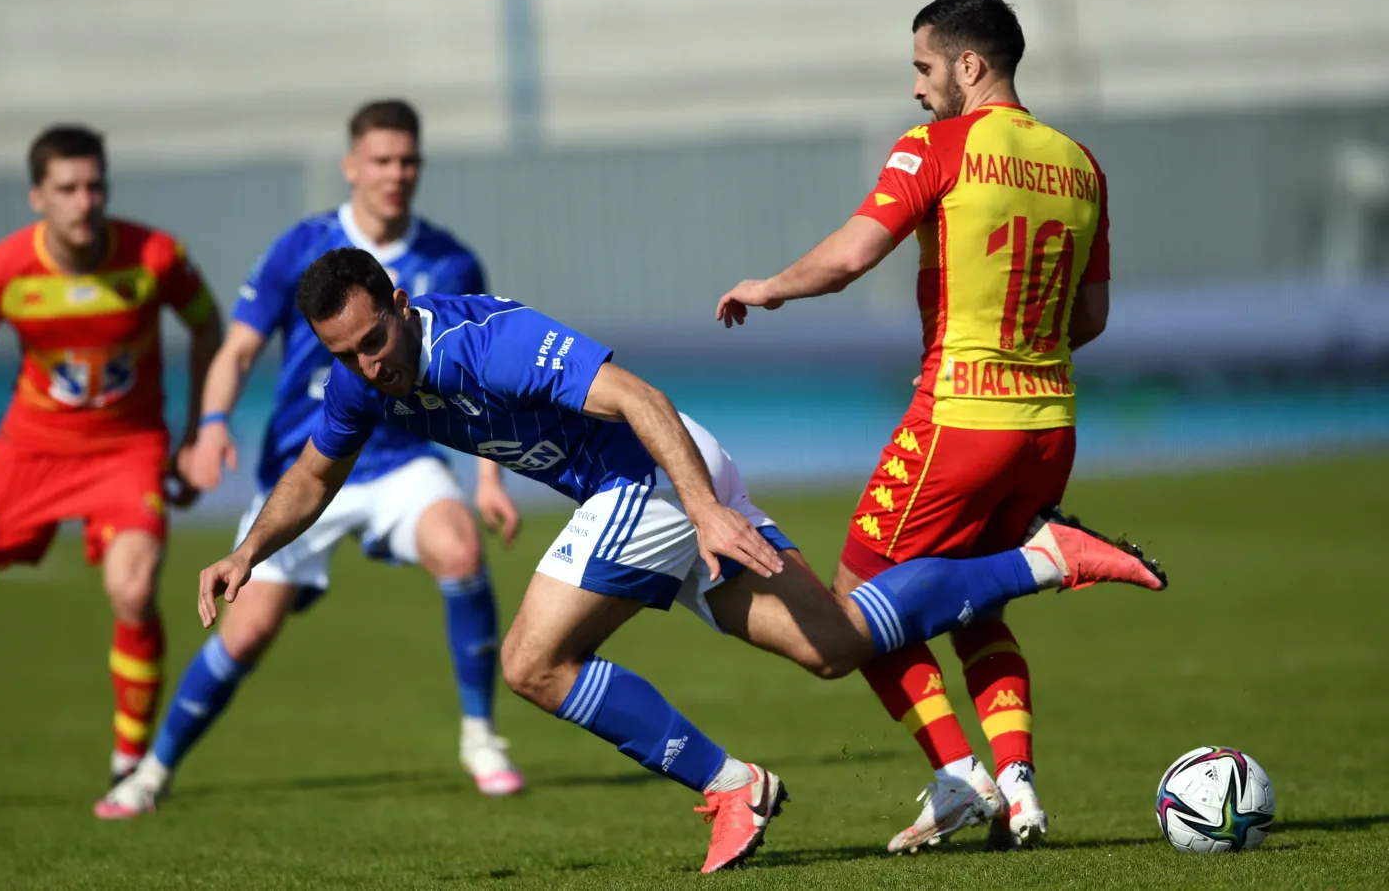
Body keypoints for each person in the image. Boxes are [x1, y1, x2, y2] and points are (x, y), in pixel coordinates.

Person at [197, 248, 1162, 872]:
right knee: (836, 642)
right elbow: (313, 477)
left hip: (654, 475)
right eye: (349, 355)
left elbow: (642, 398)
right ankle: (1042, 557)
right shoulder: (363, 382)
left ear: (401, 307)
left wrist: (700, 511)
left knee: (531, 662)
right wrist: (247, 551)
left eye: (377, 342)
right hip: (658, 488)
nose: (372, 367)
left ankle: (729, 785)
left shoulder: (487, 346)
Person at [716, 0, 1113, 852]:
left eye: (924, 68)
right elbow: (1089, 319)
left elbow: (853, 256)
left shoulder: (940, 147)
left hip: (962, 418)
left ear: (970, 66)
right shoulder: (1080, 163)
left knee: (860, 598)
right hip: (1051, 426)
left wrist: (769, 285)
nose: (918, 89)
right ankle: (1019, 784)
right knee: (969, 604)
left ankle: (956, 773)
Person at [95, 101, 523, 820]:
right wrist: (210, 424)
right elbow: (237, 347)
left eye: (408, 159)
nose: (396, 173)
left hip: (398, 459)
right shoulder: (303, 247)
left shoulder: (450, 257)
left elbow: (477, 375)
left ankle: (482, 738)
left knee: (458, 546)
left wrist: (488, 476)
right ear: (351, 165)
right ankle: (151, 770)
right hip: (308, 461)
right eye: (381, 160)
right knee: (249, 627)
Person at [0, 125, 221, 786]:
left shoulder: (154, 256)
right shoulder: (3, 272)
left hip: (126, 450)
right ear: (38, 196)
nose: (84, 201)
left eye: (95, 186)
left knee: (134, 588)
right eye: (67, 188)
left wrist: (201, 432)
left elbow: (208, 326)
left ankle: (129, 761)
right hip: (28, 451)